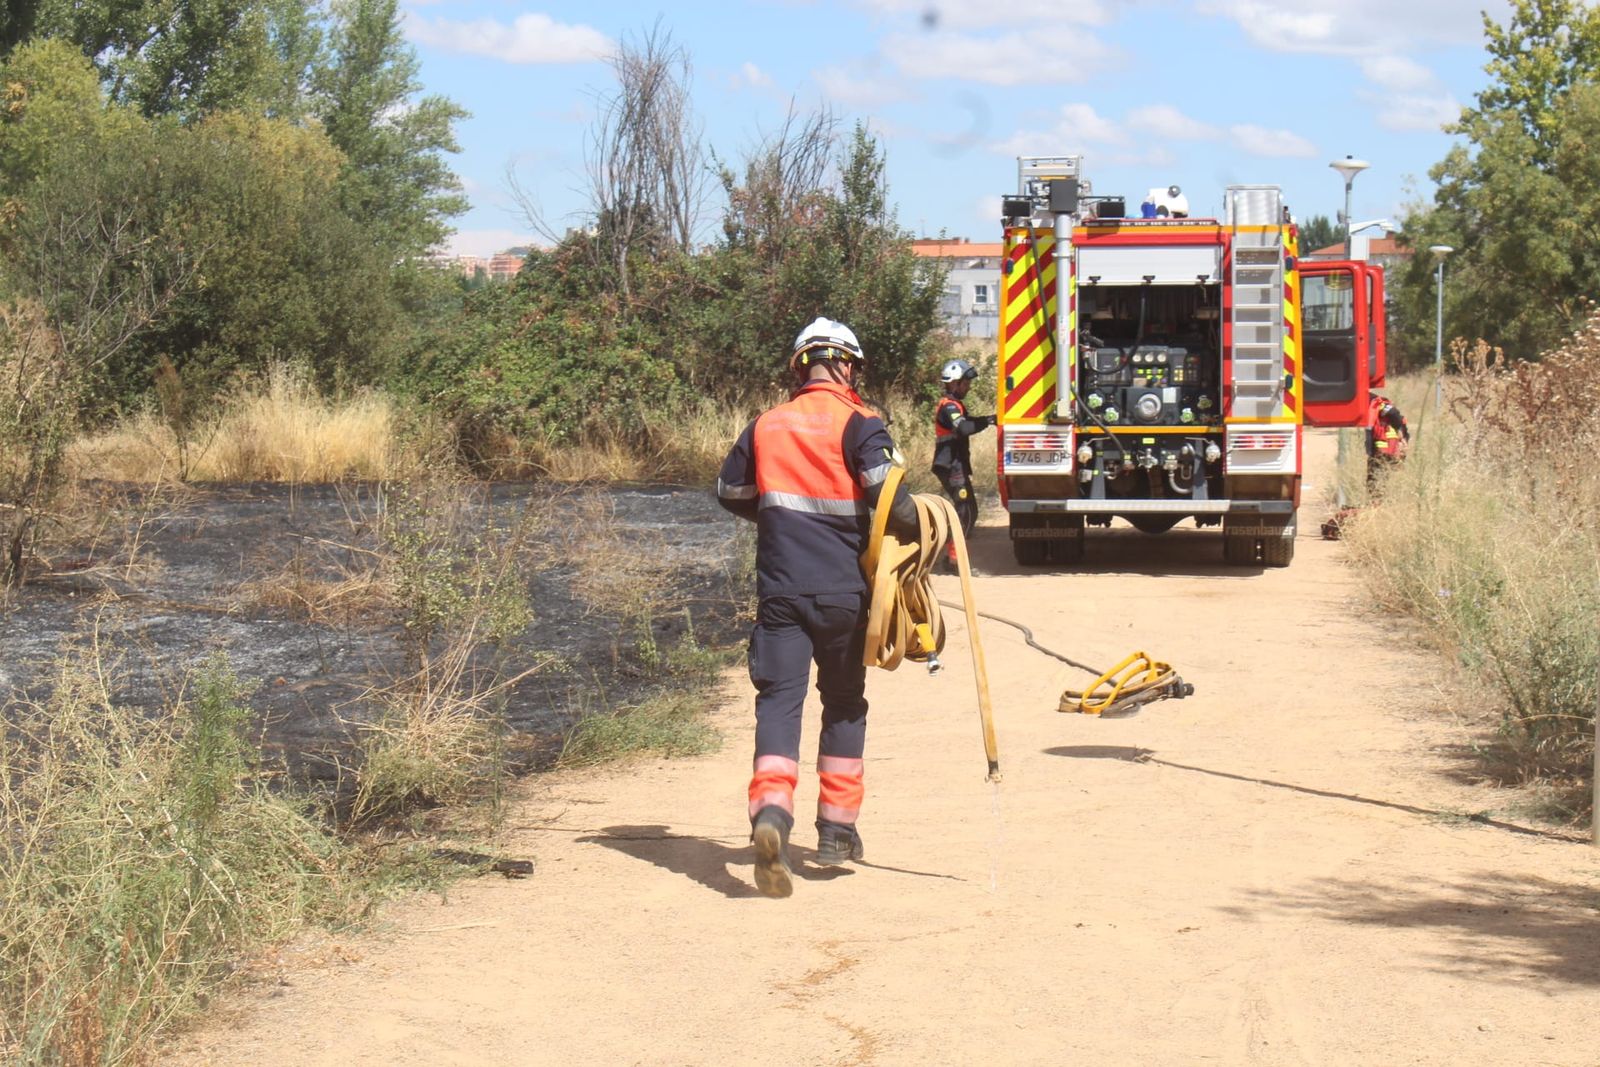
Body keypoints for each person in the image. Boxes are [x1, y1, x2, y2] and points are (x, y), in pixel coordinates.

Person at [716, 317, 918, 899]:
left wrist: (779, 520)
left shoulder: (764, 425)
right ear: (847, 365)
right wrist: (925, 526)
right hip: (843, 597)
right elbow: (893, 501)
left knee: (779, 703)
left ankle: (772, 816)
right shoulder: (861, 423)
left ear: (799, 367)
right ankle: (835, 831)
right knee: (845, 703)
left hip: (780, 593)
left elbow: (731, 492)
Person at [932, 359, 995, 567]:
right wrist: (987, 421)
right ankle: (954, 560)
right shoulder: (949, 406)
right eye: (965, 383)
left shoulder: (956, 405)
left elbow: (967, 424)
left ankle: (953, 557)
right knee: (964, 510)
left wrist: (989, 419)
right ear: (953, 383)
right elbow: (963, 428)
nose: (968, 387)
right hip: (949, 466)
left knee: (970, 510)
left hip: (956, 465)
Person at [1365, 390, 1410, 489]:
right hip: (1380, 450)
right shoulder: (1371, 403)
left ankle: (1377, 500)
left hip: (1385, 449)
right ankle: (1376, 500)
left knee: (1378, 476)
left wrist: (1402, 435)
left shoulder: (1376, 403)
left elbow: (1393, 412)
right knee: (1377, 477)